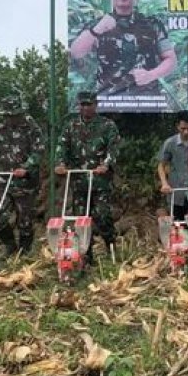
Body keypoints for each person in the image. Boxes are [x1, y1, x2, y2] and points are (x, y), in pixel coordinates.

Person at [68, 0, 177, 96]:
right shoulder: (97, 25)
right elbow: (75, 52)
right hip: (109, 105)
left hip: (146, 104)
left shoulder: (152, 24)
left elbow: (170, 59)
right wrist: (97, 30)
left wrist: (151, 75)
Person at [55, 91, 121, 264]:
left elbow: (113, 148)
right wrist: (61, 164)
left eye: (89, 104)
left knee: (102, 215)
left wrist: (106, 165)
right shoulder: (71, 126)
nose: (85, 108)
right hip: (78, 181)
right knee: (80, 220)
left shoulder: (107, 125)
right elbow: (62, 146)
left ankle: (111, 246)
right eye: (82, 105)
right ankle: (86, 254)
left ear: (95, 105)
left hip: (100, 181)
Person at [0, 93, 44, 257]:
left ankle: (25, 251)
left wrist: (27, 167)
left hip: (26, 182)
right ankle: (10, 245)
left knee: (25, 221)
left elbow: (39, 150)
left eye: (12, 115)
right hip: (4, 180)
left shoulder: (32, 128)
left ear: (20, 113)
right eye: (6, 115)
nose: (9, 119)